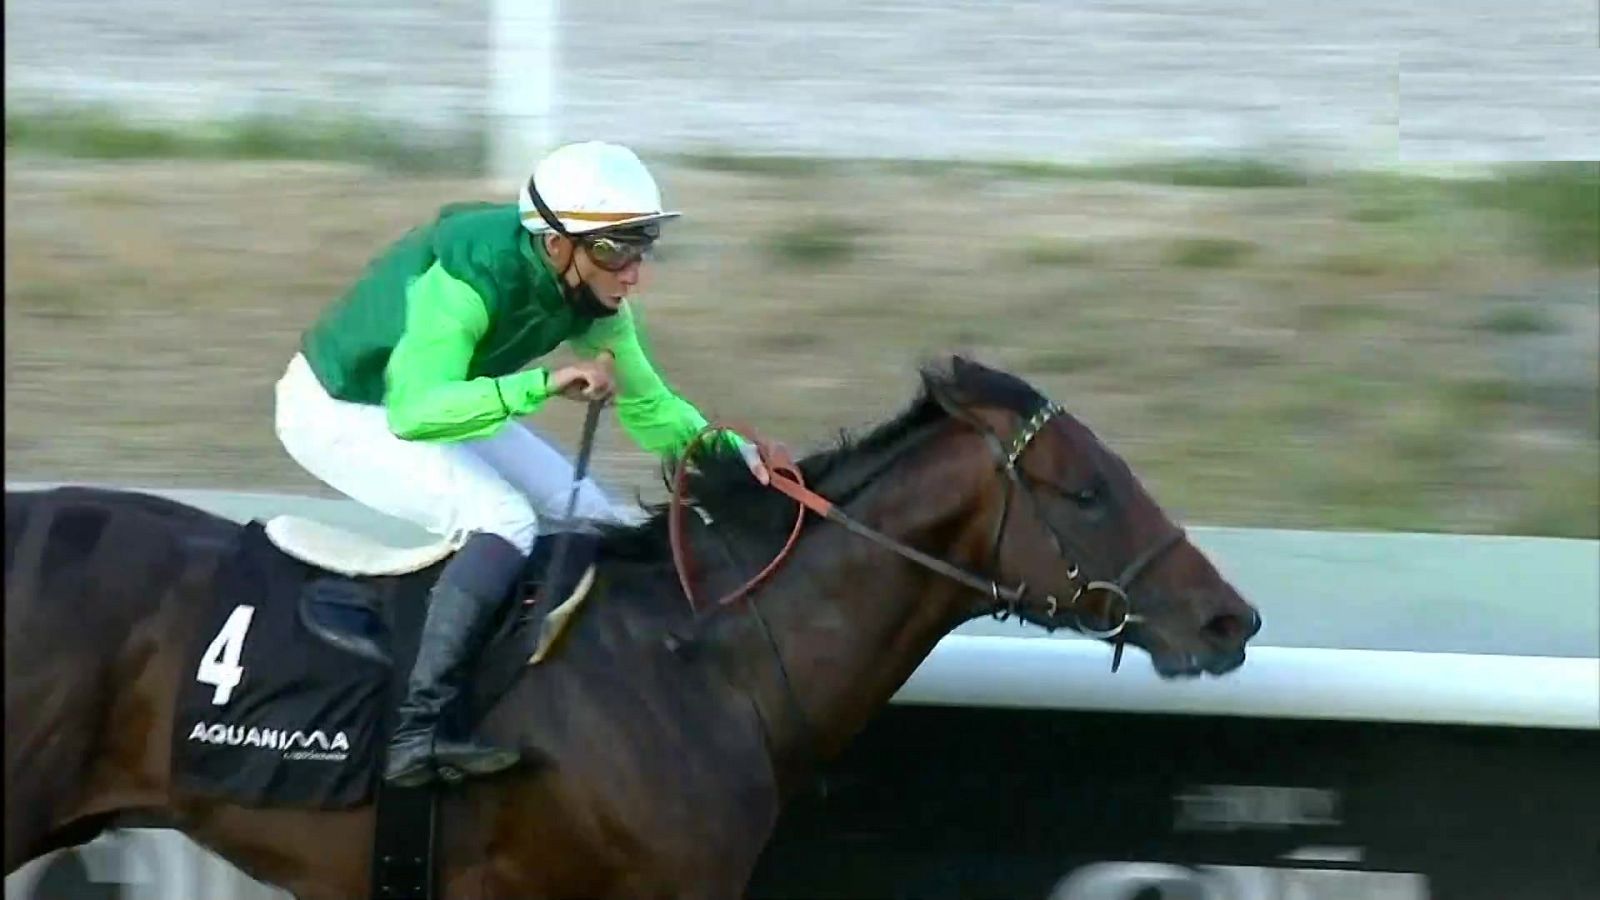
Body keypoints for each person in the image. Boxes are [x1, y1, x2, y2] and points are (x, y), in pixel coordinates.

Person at [273, 140, 769, 788]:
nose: (632, 273)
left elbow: (651, 407)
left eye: (639, 247)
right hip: (339, 410)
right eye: (614, 250)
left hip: (439, 400)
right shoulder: (468, 276)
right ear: (555, 243)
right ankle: (416, 731)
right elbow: (416, 413)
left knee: (598, 516)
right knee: (503, 518)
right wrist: (543, 384)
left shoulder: (592, 299)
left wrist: (743, 469)